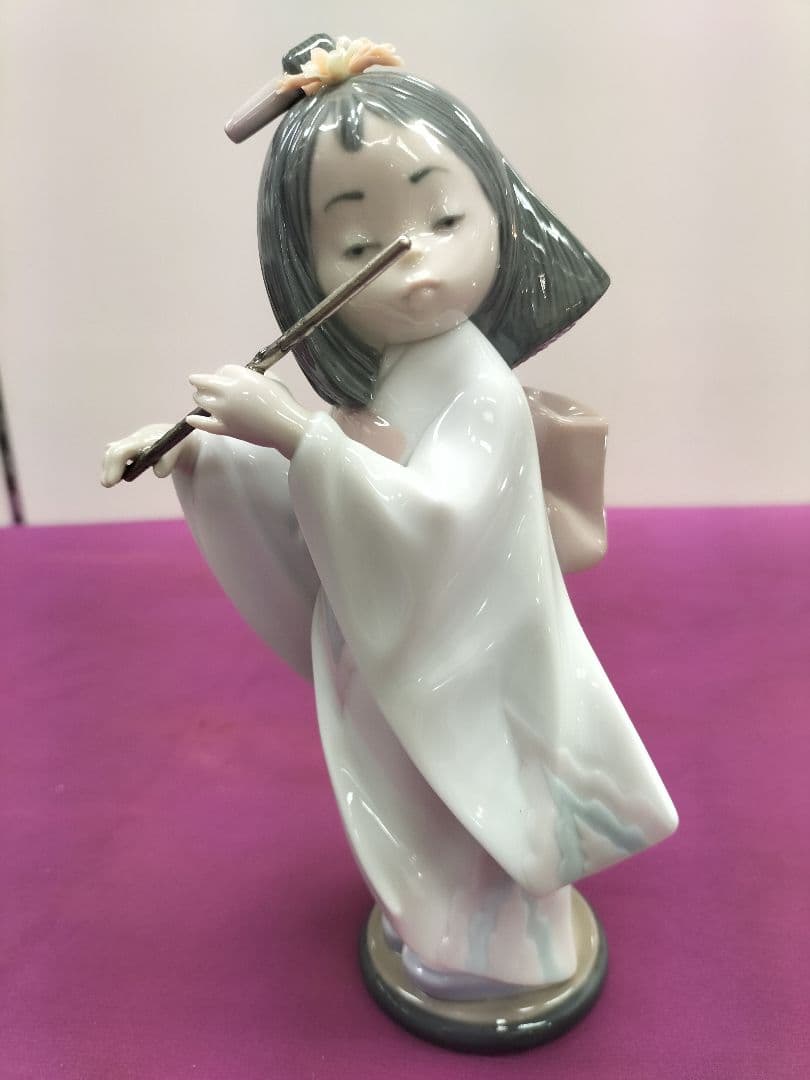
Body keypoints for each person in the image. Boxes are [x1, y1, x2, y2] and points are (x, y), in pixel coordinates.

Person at [103, 34, 677, 1000]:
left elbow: (438, 527)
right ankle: (462, 932)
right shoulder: (403, 375)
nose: (413, 264)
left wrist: (296, 434)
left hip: (470, 670)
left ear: (498, 208)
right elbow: (338, 494)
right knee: (426, 811)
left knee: (468, 820)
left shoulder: (478, 388)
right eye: (361, 246)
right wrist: (198, 450)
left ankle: (504, 946)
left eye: (445, 217)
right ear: (306, 270)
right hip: (407, 665)